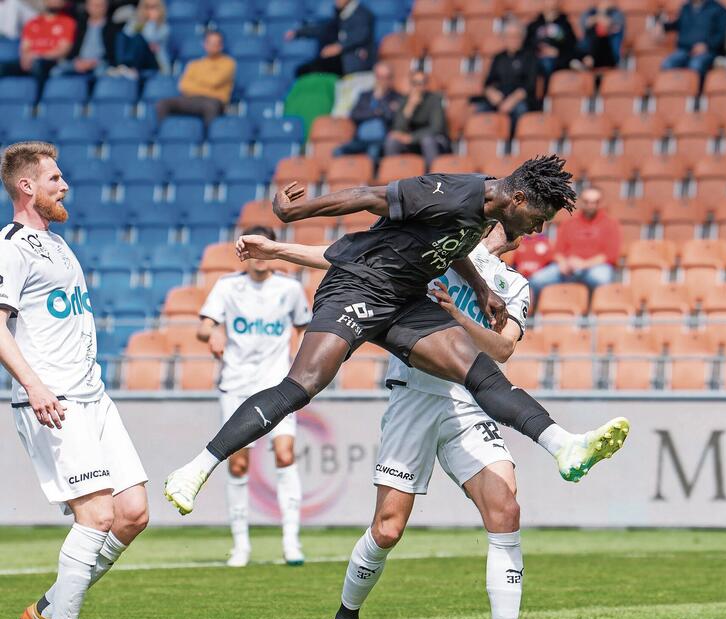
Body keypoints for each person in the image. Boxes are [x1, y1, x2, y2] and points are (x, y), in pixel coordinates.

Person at [163, 156, 630, 519]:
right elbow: (369, 197)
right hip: (358, 285)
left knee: (480, 373)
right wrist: (294, 212)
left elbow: (458, 244)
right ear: (521, 200)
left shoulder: (486, 207)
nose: (539, 229)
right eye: (541, 218)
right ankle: (198, 467)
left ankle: (563, 446)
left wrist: (483, 289)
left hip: (406, 300)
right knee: (302, 386)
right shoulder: (447, 192)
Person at [307, 223, 540, 619]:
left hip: (468, 402)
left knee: (506, 508)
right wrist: (278, 250)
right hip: (413, 394)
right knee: (387, 529)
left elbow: (503, 349)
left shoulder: (515, 285)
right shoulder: (438, 252)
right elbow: (352, 258)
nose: (531, 227)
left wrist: (458, 316)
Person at [0, 141, 150, 619]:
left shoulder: (59, 244)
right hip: (53, 401)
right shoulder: (11, 247)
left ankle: (45, 610)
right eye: (55, 178)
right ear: (27, 187)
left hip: (94, 397)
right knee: (97, 515)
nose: (65, 186)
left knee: (132, 514)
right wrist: (36, 387)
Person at [197, 226, 312, 568]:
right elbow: (204, 325)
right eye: (251, 248)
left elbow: (305, 328)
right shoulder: (227, 287)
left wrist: (301, 362)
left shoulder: (290, 289)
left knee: (285, 453)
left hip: (277, 385)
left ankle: (291, 540)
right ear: (244, 252)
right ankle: (241, 545)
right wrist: (214, 331)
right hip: (236, 384)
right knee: (238, 461)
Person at [527, 186, 620, 296]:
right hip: (568, 267)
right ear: (581, 202)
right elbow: (557, 251)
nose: (591, 205)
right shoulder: (569, 223)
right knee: (536, 280)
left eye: (595, 202)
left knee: (601, 278)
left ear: (600, 203)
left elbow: (610, 255)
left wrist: (584, 264)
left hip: (595, 267)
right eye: (587, 202)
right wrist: (563, 263)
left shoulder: (611, 224)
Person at [155, 30, 235, 127]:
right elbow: (184, 86)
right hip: (192, 99)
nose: (213, 46)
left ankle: (208, 140)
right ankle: (164, 134)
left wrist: (196, 81)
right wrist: (208, 87)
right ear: (204, 44)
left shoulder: (228, 63)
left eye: (216, 43)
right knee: (162, 104)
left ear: (221, 45)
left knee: (210, 106)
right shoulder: (193, 64)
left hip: (215, 101)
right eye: (210, 42)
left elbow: (214, 81)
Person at [334, 61, 402, 162]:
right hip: (361, 139)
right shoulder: (365, 96)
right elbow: (354, 114)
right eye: (380, 77)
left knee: (373, 151)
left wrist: (380, 101)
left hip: (381, 140)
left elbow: (391, 117)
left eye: (386, 77)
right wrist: (377, 112)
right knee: (338, 151)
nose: (383, 81)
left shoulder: (396, 97)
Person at [383, 69, 449, 173]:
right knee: (392, 141)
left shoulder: (434, 99)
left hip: (433, 140)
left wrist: (412, 137)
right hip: (411, 142)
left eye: (422, 83)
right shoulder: (405, 100)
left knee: (427, 141)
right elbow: (398, 128)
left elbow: (437, 127)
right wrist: (409, 108)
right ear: (411, 84)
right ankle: (393, 175)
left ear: (426, 85)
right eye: (415, 83)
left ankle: (433, 178)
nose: (418, 87)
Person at [288, 0, 374, 78]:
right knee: (303, 70)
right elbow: (324, 29)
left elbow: (360, 36)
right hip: (337, 61)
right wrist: (299, 32)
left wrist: (338, 47)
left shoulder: (363, 14)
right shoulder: (339, 14)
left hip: (353, 62)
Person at [477, 23, 537, 128]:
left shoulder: (530, 57)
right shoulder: (499, 58)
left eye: (516, 36)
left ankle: (511, 143)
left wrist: (511, 101)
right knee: (480, 110)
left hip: (518, 100)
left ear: (522, 38)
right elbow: (488, 82)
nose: (513, 40)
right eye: (509, 36)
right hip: (499, 98)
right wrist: (492, 93)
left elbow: (530, 85)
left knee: (520, 110)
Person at [659, 0, 726, 76]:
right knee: (667, 64)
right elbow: (679, 23)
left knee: (695, 65)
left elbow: (722, 34)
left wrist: (707, 46)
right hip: (684, 49)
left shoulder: (718, 9)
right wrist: (663, 27)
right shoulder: (686, 7)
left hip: (707, 51)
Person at [16, 0, 75, 90]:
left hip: (50, 63)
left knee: (38, 65)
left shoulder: (68, 22)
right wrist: (25, 58)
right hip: (30, 62)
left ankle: (37, 99)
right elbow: (25, 47)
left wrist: (39, 56)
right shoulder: (32, 23)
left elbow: (63, 50)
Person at [54, 0, 119, 78]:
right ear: (87, 7)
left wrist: (93, 63)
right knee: (56, 71)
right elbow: (73, 50)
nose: (97, 8)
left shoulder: (113, 28)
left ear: (106, 7)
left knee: (101, 72)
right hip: (79, 61)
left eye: (100, 5)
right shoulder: (80, 26)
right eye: (94, 5)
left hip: (100, 63)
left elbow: (112, 54)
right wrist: (77, 62)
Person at [524, 0, 581, 79]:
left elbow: (572, 48)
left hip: (558, 63)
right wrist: (539, 51)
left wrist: (557, 52)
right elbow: (526, 46)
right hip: (537, 61)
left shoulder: (565, 25)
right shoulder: (534, 25)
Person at [113, 0, 169, 76]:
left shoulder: (164, 28)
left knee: (138, 37)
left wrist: (151, 21)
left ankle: (131, 68)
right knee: (121, 36)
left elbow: (150, 37)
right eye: (147, 7)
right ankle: (123, 66)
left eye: (153, 7)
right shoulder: (138, 23)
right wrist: (136, 20)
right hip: (138, 58)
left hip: (155, 62)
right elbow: (127, 34)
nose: (150, 10)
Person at [578, 2, 624, 70]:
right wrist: (600, 16)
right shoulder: (588, 12)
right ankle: (587, 58)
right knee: (591, 32)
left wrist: (601, 13)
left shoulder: (616, 13)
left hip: (610, 53)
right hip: (592, 51)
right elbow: (586, 24)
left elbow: (610, 25)